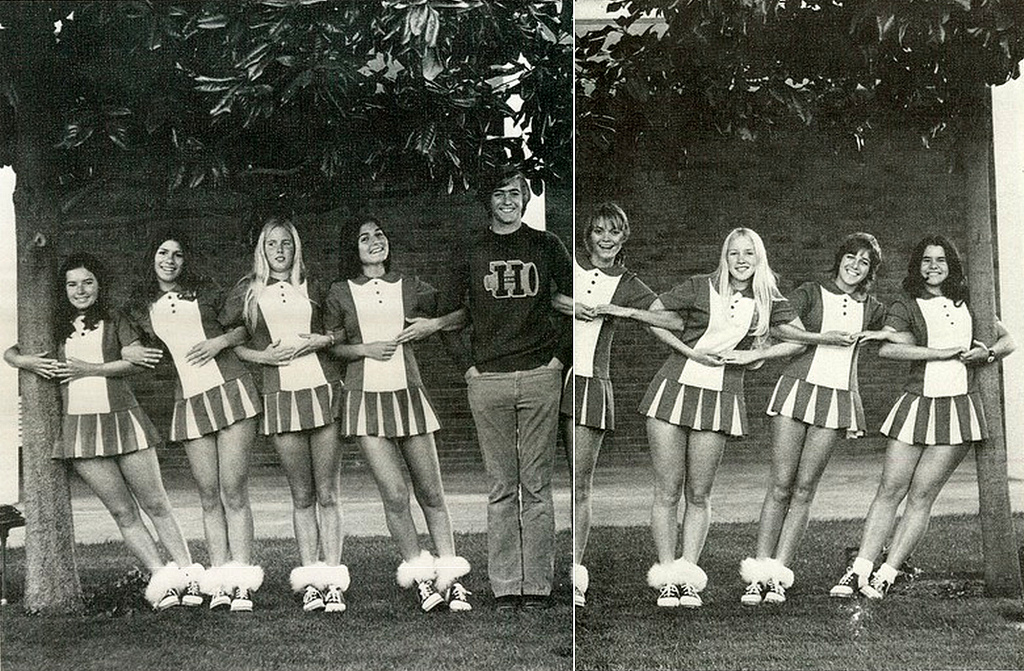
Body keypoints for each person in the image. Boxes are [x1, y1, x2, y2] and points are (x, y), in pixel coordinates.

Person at [596, 227, 799, 608]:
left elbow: (798, 339)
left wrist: (753, 356)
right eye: (734, 253)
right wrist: (687, 352)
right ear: (724, 256)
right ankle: (667, 576)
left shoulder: (769, 297)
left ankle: (689, 575)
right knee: (667, 489)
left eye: (749, 254)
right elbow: (657, 317)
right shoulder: (698, 285)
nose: (741, 261)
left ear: (759, 258)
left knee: (699, 493)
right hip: (671, 390)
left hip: (720, 398)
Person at [4, 252, 200, 611]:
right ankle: (163, 580)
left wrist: (89, 369)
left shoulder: (115, 318)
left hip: (124, 420)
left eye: (88, 282)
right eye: (72, 284)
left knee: (156, 504)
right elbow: (9, 349)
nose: (80, 290)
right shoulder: (51, 326)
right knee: (123, 513)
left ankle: (190, 577)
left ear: (99, 285)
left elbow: (134, 360)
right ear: (63, 290)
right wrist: (25, 361)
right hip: (79, 430)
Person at [830, 235, 1015, 599]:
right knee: (890, 490)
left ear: (952, 266)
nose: (933, 267)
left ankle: (886, 573)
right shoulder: (907, 302)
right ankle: (860, 569)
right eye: (926, 261)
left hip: (960, 408)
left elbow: (1008, 339)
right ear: (917, 266)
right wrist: (943, 352)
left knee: (922, 495)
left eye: (941, 260)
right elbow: (888, 349)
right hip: (916, 404)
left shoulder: (971, 301)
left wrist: (988, 354)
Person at [437, 165, 572, 610]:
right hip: (488, 379)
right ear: (488, 201)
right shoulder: (470, 249)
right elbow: (447, 318)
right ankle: (505, 584)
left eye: (515, 193)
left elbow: (573, 307)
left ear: (526, 197)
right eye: (499, 194)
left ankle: (537, 585)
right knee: (500, 487)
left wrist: (559, 361)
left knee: (536, 485)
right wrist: (468, 368)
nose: (508, 201)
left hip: (539, 375)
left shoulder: (547, 245)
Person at [324, 217, 472, 613]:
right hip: (364, 400)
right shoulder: (339, 292)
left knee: (431, 494)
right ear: (352, 249)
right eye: (364, 237)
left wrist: (432, 326)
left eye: (380, 234)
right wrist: (364, 349)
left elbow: (461, 313)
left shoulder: (411, 286)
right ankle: (421, 577)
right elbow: (332, 347)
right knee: (394, 494)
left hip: (408, 396)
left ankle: (451, 577)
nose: (375, 242)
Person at [739, 233, 895, 606]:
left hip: (836, 398)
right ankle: (757, 574)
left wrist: (877, 333)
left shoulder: (873, 307)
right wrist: (822, 337)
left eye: (864, 263)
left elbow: (898, 330)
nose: (855, 266)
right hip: (796, 389)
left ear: (871, 271)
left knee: (805, 489)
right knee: (780, 485)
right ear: (839, 258)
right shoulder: (810, 291)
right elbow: (777, 327)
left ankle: (778, 575)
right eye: (851, 257)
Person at [123, 233, 263, 612]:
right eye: (163, 252)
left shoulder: (205, 291)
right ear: (151, 257)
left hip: (231, 388)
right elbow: (131, 344)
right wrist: (125, 347)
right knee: (208, 495)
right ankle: (219, 579)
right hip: (189, 400)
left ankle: (242, 582)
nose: (170, 260)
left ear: (187, 261)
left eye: (178, 254)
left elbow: (242, 328)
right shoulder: (139, 306)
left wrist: (217, 344)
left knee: (233, 491)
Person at [221, 217, 349, 613]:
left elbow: (342, 331)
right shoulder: (248, 291)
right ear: (262, 249)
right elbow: (232, 338)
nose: (280, 250)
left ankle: (332, 580)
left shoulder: (315, 286)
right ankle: (310, 578)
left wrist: (324, 339)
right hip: (280, 397)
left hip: (322, 390)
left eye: (287, 244)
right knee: (302, 494)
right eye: (272, 244)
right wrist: (263, 357)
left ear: (296, 248)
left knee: (328, 493)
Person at [569, 203, 656, 608]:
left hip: (590, 387)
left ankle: (575, 573)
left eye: (614, 232)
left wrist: (619, 310)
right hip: (550, 380)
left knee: (578, 486)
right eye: (599, 230)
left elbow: (669, 318)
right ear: (587, 236)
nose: (606, 238)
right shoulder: (567, 267)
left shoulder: (628, 281)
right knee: (530, 484)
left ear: (624, 238)